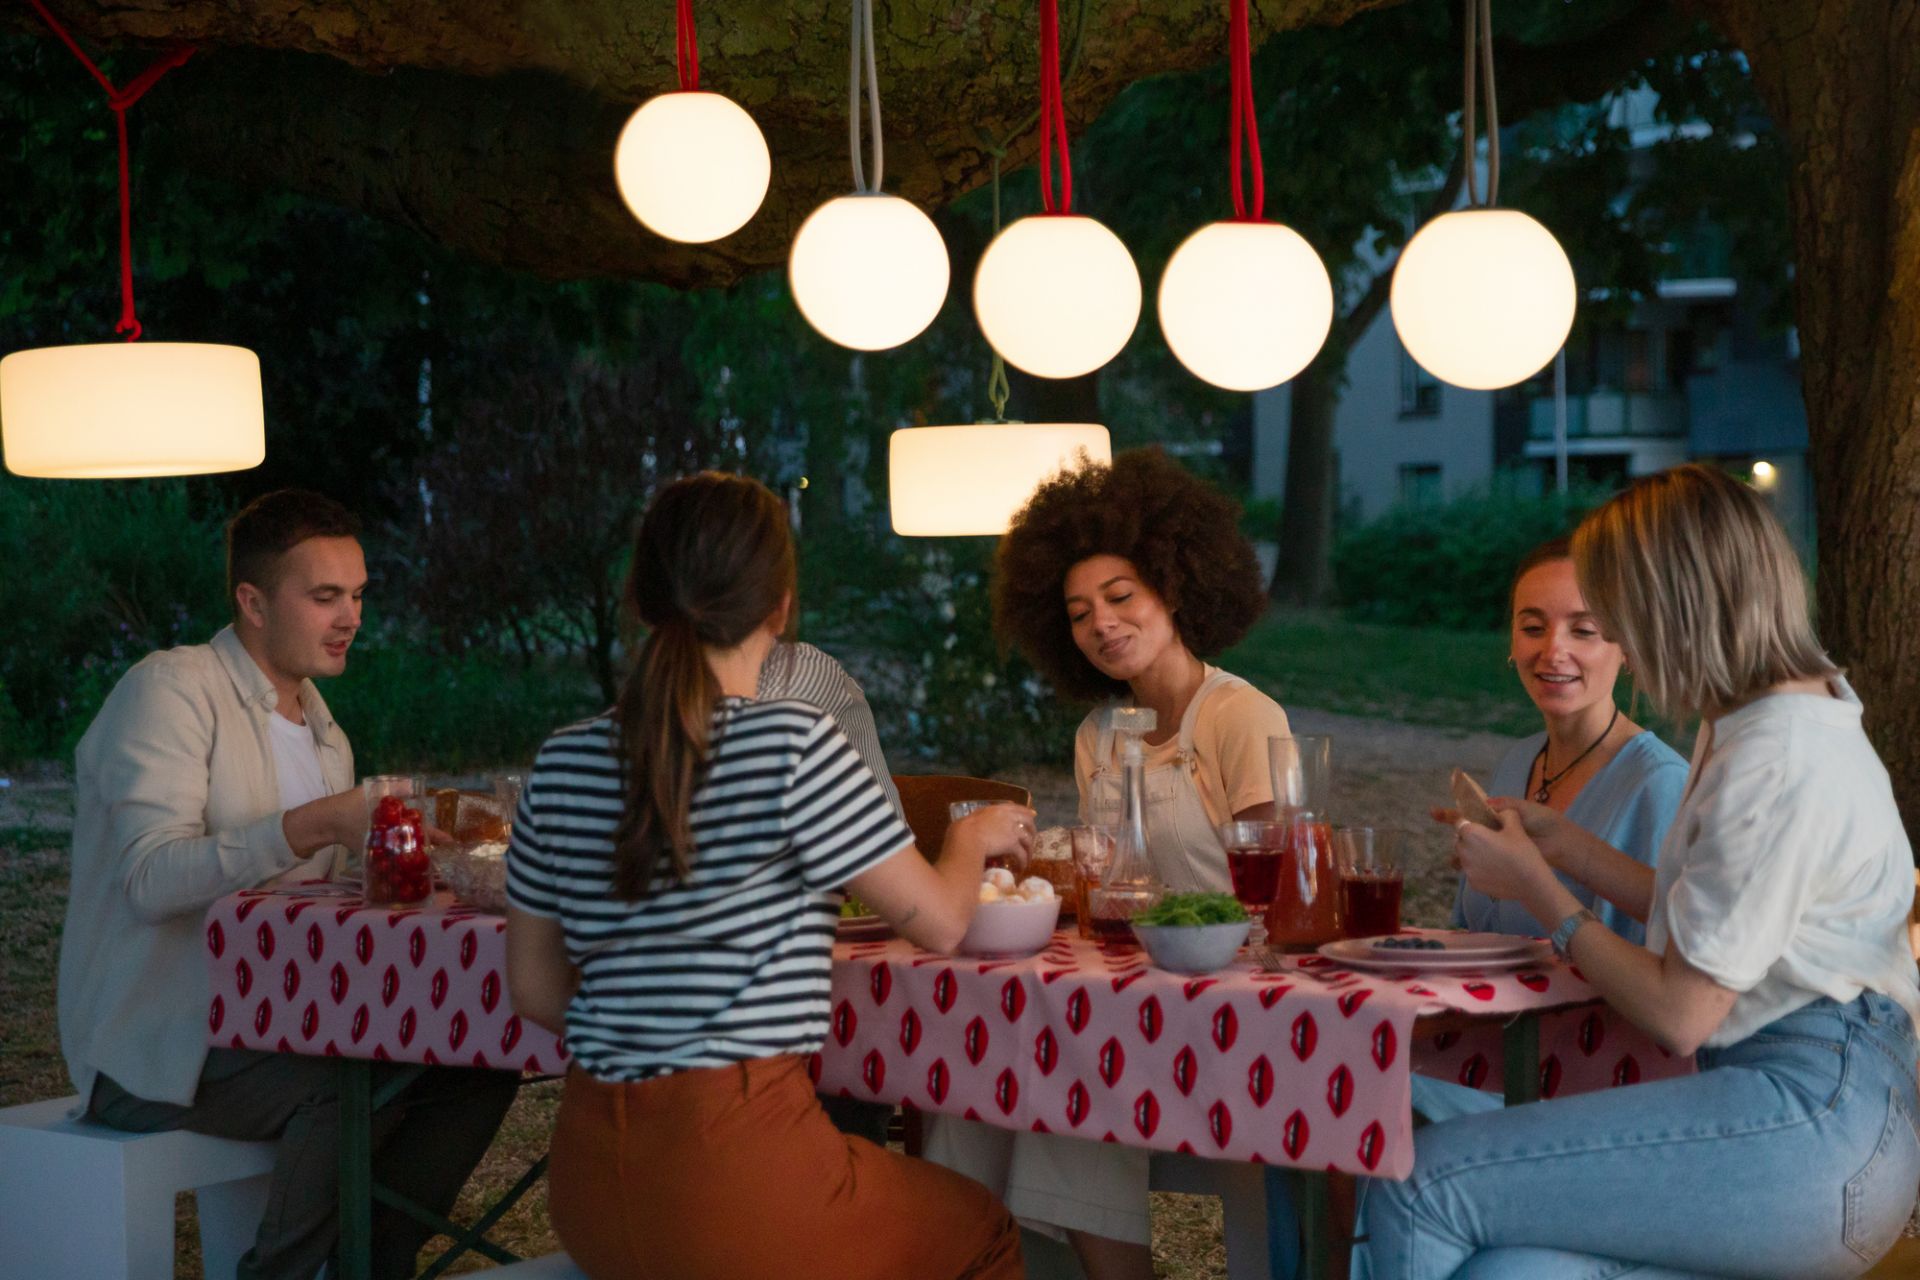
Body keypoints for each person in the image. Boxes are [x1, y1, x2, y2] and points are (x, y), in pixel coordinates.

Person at [1361, 463, 1920, 1278]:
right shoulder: (1768, 711)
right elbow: (1732, 923)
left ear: (1672, 602)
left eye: (1616, 604)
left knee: (1424, 1183)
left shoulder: (1775, 754)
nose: (1613, 626)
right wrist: (1571, 850)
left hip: (1812, 1119)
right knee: (1513, 1269)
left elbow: (1682, 1011)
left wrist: (1540, 890)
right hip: (1831, 1117)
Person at [503, 471, 1032, 1280]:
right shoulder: (795, 744)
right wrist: (968, 841)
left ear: (641, 600)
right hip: (737, 1175)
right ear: (780, 606)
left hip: (589, 1187)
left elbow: (537, 993)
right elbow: (941, 922)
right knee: (983, 1231)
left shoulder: (563, 758)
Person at [58, 489, 518, 1280]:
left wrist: (418, 861)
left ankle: (372, 1261)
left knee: (480, 1061)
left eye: (360, 595)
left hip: (284, 1020)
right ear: (252, 601)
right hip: (160, 1043)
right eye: (325, 596)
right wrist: (314, 824)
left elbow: (317, 910)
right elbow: (146, 878)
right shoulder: (172, 689)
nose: (352, 618)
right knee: (347, 1082)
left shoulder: (321, 729)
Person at [925, 447, 1291, 1280]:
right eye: (1080, 611)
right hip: (1123, 995)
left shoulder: (1238, 716)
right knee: (973, 1087)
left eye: (1121, 597)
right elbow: (1106, 882)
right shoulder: (1099, 735)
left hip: (1227, 1003)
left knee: (1064, 1081)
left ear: (1175, 585)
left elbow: (1275, 896)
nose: (1102, 625)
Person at [1445, 536, 1688, 945]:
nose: (1553, 650)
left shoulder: (1659, 784)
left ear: (1628, 647)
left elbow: (1665, 969)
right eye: (1533, 628)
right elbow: (1468, 931)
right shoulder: (1518, 761)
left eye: (1584, 630)